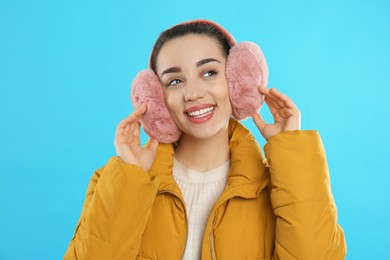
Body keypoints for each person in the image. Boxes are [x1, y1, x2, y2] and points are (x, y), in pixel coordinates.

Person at [64, 19, 347, 260]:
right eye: (175, 81)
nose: (193, 93)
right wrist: (131, 177)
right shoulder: (117, 182)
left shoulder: (276, 188)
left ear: (239, 82)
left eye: (209, 72)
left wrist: (293, 153)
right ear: (156, 98)